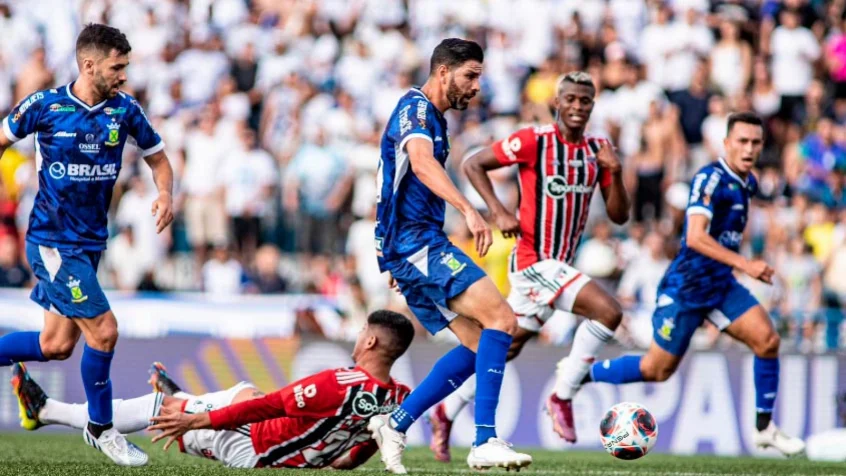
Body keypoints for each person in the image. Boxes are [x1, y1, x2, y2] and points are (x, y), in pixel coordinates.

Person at [428, 71, 630, 462]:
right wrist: (499, 211)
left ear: (592, 106)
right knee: (609, 312)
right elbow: (472, 164)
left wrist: (616, 172)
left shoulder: (599, 149)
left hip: (558, 268)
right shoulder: (533, 140)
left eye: (584, 101)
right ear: (558, 102)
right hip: (534, 261)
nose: (576, 106)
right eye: (569, 99)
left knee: (501, 348)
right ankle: (563, 393)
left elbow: (620, 216)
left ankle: (445, 410)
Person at [582, 112, 806, 457]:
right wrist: (745, 263)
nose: (749, 149)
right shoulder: (710, 179)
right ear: (727, 143)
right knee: (656, 370)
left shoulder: (747, 182)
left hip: (719, 285)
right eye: (742, 141)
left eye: (755, 142)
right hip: (686, 288)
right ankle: (582, 373)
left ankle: (764, 429)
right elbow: (696, 237)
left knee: (768, 340)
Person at [1, 24, 174, 466]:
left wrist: (165, 194)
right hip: (53, 244)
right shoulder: (45, 105)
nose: (124, 75)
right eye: (118, 67)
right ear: (89, 64)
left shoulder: (125, 111)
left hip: (90, 244)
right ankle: (100, 427)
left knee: (55, 345)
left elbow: (158, 157)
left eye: (126, 67)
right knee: (105, 330)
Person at [370, 38, 532, 473]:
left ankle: (397, 422)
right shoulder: (417, 110)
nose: (477, 86)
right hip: (417, 244)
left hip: (408, 247)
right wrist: (469, 210)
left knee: (483, 343)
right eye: (470, 75)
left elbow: (392, 180)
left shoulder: (434, 117)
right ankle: (484, 440)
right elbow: (420, 163)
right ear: (444, 72)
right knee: (502, 320)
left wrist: (389, 252)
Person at [11, 310, 414, 470]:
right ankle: (186, 399)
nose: (358, 337)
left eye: (363, 332)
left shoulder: (338, 381)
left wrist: (198, 419)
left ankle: (46, 411)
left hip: (253, 445)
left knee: (163, 409)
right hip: (283, 449)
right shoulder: (400, 398)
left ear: (372, 343)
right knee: (245, 391)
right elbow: (350, 461)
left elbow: (273, 407)